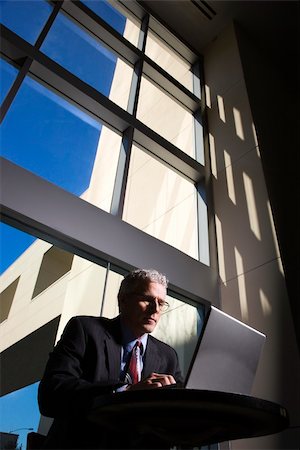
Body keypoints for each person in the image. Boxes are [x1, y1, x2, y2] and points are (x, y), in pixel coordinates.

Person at [38, 268, 183, 449]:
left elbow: (178, 420)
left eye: (161, 303)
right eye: (147, 299)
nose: (155, 309)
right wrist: (126, 392)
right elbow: (51, 394)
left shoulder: (168, 355)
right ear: (122, 300)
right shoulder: (85, 330)